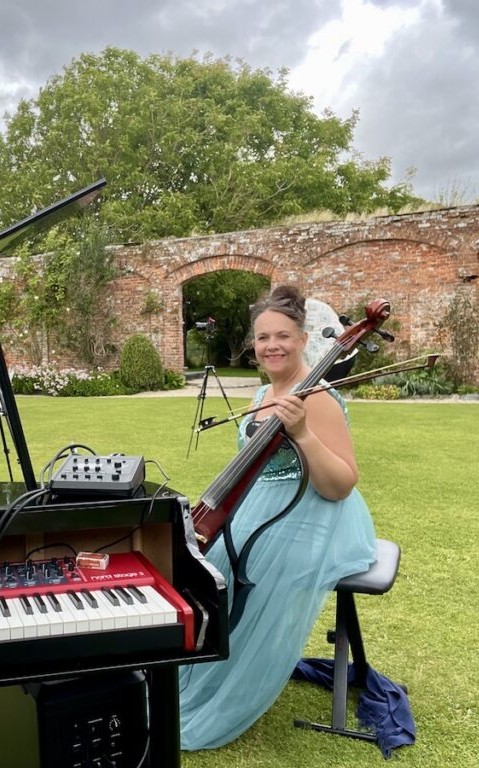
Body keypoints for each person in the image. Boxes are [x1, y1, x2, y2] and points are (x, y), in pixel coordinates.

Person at [178, 285, 377, 750]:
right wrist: (210, 503)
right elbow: (251, 466)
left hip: (312, 512)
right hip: (258, 508)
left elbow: (341, 482)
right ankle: (202, 673)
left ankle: (232, 686)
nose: (272, 346)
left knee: (261, 579)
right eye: (263, 337)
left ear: (304, 339)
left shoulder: (319, 396)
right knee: (209, 572)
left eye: (283, 336)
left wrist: (304, 432)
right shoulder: (265, 392)